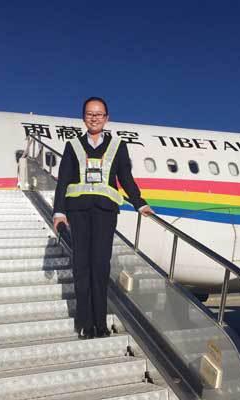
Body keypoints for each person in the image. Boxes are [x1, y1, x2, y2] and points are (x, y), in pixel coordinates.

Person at [53, 97, 154, 339]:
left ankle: (100, 323)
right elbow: (63, 179)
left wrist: (139, 202)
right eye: (90, 114)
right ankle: (84, 323)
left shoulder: (118, 145)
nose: (94, 118)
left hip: (105, 213)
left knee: (100, 266)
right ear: (83, 117)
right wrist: (59, 212)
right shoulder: (73, 145)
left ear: (106, 118)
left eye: (99, 114)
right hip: (78, 211)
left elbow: (125, 177)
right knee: (81, 266)